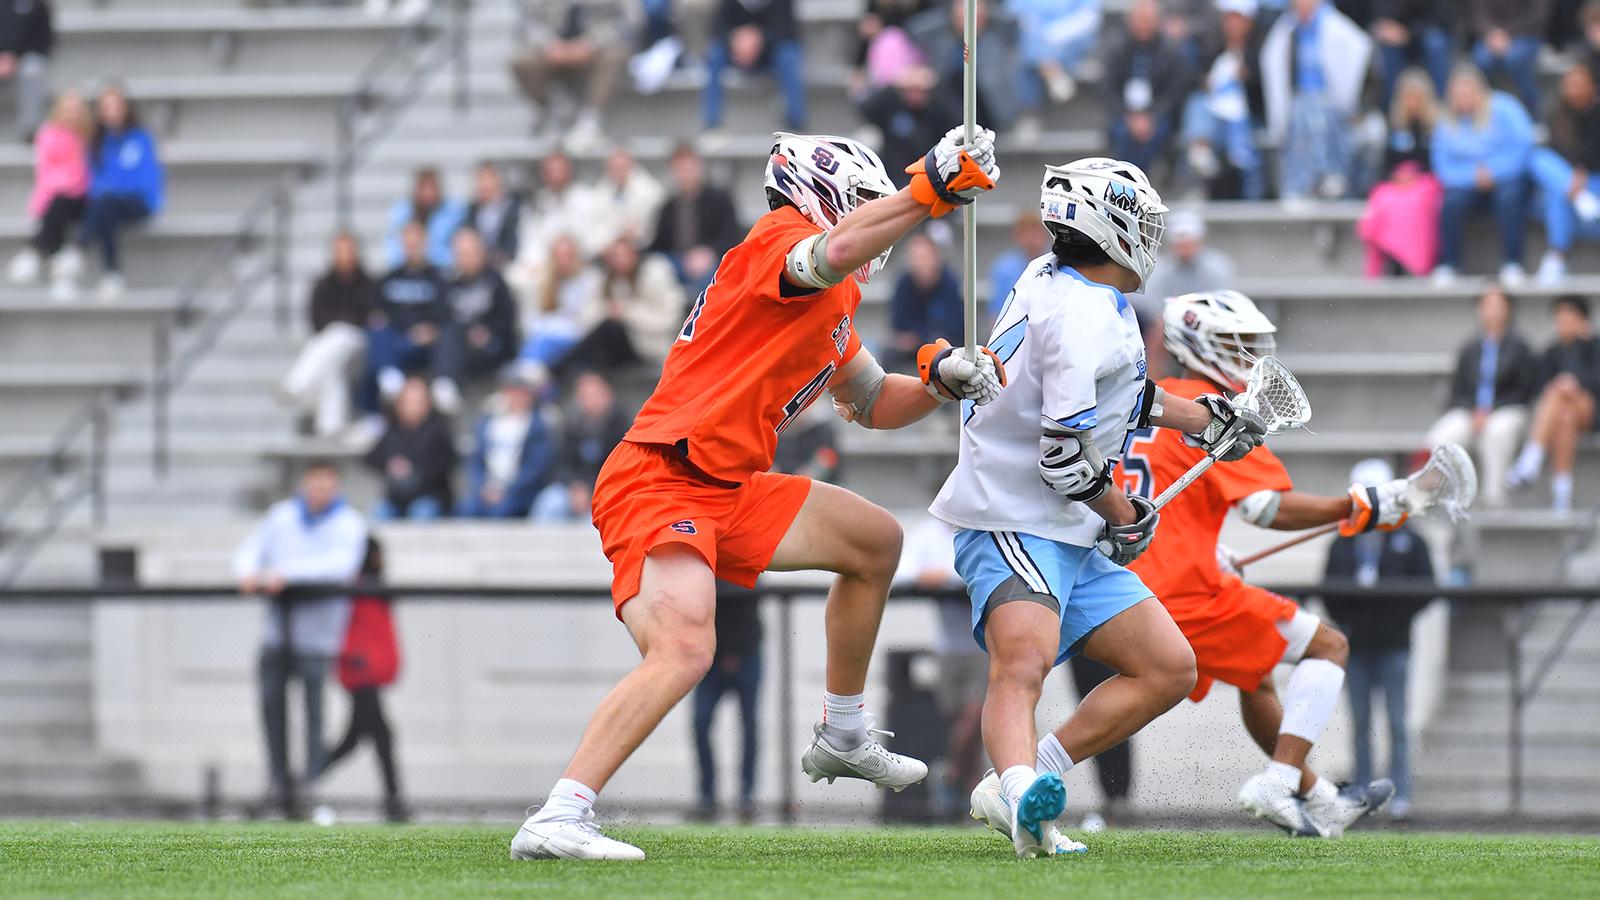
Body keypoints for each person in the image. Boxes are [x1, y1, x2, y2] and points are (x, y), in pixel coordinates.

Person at [511, 127, 1005, 861]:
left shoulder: (833, 294)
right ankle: (560, 813)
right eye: (860, 201)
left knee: (874, 541)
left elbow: (871, 399)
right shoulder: (779, 239)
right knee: (684, 649)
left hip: (727, 483)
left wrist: (938, 384)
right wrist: (926, 189)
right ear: (820, 194)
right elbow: (834, 249)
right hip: (664, 473)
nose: (870, 217)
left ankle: (842, 732)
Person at [939, 159, 1269, 858]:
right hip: (1013, 515)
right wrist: (1123, 512)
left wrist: (1202, 418)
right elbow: (1062, 459)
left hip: (1059, 522)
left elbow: (1118, 393)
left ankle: (1024, 778)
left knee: (1167, 666)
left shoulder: (1060, 281)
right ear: (1110, 228)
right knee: (1022, 664)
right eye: (1141, 222)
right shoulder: (1084, 314)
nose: (1151, 236)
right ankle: (1024, 801)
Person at [1118, 290, 1406, 837]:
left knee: (1257, 674)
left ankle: (1320, 798)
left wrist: (1204, 547)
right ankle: (1279, 781)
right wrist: (1355, 506)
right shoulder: (1207, 408)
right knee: (1329, 646)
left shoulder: (1148, 401)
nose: (1248, 358)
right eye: (1237, 345)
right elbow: (1267, 508)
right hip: (1182, 591)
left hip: (1129, 584)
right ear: (1196, 345)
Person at [233, 461, 368, 820]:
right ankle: (277, 783)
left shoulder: (349, 523)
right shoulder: (282, 516)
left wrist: (284, 575)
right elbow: (249, 551)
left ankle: (309, 786)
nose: (319, 491)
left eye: (326, 484)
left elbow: (339, 566)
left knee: (314, 715)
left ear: (336, 487)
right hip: (277, 632)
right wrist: (248, 573)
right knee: (271, 707)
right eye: (314, 483)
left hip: (318, 637)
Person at [1321, 458, 1436, 821]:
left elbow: (1425, 587)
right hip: (1356, 647)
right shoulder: (1342, 541)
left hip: (1394, 645)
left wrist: (1393, 619)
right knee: (1360, 723)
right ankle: (1362, 790)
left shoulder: (1410, 540)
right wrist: (1351, 623)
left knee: (1397, 723)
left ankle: (1400, 793)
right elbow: (1329, 590)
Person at [891, 514, 983, 822]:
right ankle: (974, 799)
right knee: (960, 723)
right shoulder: (928, 534)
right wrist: (929, 576)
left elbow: (985, 576)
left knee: (973, 719)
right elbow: (902, 573)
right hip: (948, 648)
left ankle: (951, 775)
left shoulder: (986, 528)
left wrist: (943, 576)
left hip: (985, 646)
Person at [316, 536, 410, 823]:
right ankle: (394, 803)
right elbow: (339, 628)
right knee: (381, 737)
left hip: (369, 673)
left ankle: (299, 783)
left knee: (352, 742)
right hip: (360, 673)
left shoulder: (375, 588)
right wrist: (351, 656)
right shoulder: (353, 587)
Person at [1425, 285, 1540, 507]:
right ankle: (1434, 499)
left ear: (1508, 309)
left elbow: (1525, 390)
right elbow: (1458, 390)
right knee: (1442, 436)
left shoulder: (1520, 347)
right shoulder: (1470, 348)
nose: (1492, 311)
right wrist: (1473, 410)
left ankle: (1494, 498)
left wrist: (1491, 410)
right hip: (1471, 412)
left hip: (1507, 410)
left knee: (1497, 432)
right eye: (1487, 305)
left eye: (1497, 305)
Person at [1431, 65, 1534, 285]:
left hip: (1508, 178)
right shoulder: (1445, 121)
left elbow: (1523, 145)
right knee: (1450, 204)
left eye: (1468, 93)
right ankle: (1449, 264)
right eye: (1458, 95)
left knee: (1509, 198)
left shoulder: (1505, 107)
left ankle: (1512, 263)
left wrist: (1494, 172)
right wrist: (1473, 176)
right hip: (1468, 185)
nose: (1463, 100)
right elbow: (1442, 166)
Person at [1260, 0, 1374, 201]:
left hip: (1333, 101)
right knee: (1304, 115)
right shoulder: (1286, 30)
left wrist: (1350, 100)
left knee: (1320, 116)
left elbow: (1360, 53)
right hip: (1299, 101)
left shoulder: (1337, 26)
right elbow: (1273, 65)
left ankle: (1330, 174)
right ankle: (1301, 184)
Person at [66, 84, 163, 302]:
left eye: (115, 106)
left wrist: (114, 188)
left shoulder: (139, 138)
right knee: (104, 212)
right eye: (106, 107)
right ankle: (112, 274)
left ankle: (80, 249)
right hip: (108, 203)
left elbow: (145, 178)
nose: (111, 112)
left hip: (139, 201)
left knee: (104, 205)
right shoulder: (97, 142)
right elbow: (94, 179)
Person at [1506, 295, 1600, 512]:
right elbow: (1540, 387)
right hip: (1564, 416)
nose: (1563, 323)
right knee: (1564, 414)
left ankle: (1531, 458)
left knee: (1561, 390)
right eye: (1560, 318)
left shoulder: (1594, 347)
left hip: (1592, 410)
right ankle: (1562, 494)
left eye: (1569, 318)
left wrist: (1579, 349)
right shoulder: (1551, 352)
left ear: (1582, 320)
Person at [278, 233, 375, 439]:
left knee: (337, 336)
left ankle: (297, 385)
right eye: (340, 251)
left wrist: (341, 322)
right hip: (333, 347)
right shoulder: (323, 284)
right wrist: (342, 321)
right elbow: (316, 320)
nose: (344, 256)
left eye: (348, 251)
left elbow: (368, 318)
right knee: (332, 360)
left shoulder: (368, 284)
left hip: (360, 347)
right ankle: (331, 425)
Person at [509, 0, 638, 145]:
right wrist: (549, 46)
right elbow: (528, 24)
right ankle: (551, 112)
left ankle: (590, 119)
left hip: (598, 46)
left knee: (614, 56)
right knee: (523, 62)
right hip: (552, 48)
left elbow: (627, 23)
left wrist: (590, 45)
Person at [1358, 68, 1444, 278]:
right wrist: (1398, 176)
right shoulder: (1393, 127)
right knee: (1384, 201)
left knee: (1415, 204)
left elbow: (1438, 162)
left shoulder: (1436, 128)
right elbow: (1385, 163)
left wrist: (1415, 174)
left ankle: (1417, 262)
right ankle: (1393, 259)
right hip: (1397, 184)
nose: (1412, 103)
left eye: (1417, 98)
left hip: (1426, 183)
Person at [5, 88, 89, 300]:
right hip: (55, 197)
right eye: (68, 109)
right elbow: (44, 171)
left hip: (81, 197)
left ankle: (33, 250)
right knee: (56, 210)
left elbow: (84, 173)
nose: (72, 114)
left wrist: (68, 184)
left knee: (58, 207)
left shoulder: (86, 137)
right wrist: (63, 185)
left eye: (76, 110)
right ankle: (61, 275)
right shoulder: (48, 134)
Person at [690, 582, 764, 821]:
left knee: (749, 726)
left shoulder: (747, 568)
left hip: (746, 654)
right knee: (700, 723)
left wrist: (734, 650)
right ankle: (707, 796)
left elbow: (748, 602)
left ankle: (746, 795)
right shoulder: (701, 570)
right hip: (710, 658)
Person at [1178, 0, 1265, 201]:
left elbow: (1267, 89)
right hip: (1216, 116)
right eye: (1229, 18)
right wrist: (1206, 81)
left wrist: (1248, 78)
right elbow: (1190, 77)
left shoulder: (1260, 49)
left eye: (1238, 18)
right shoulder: (1212, 46)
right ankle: (1200, 152)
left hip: (1248, 117)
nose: (1233, 24)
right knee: (1198, 104)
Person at [563, 236, 685, 374]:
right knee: (601, 335)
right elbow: (587, 316)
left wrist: (626, 312)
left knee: (609, 328)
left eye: (624, 255)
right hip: (623, 344)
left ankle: (559, 369)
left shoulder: (655, 277)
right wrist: (610, 310)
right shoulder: (609, 280)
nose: (620, 261)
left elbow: (668, 319)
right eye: (615, 256)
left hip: (652, 344)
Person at [365, 219, 448, 416]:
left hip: (426, 344)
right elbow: (378, 313)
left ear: (425, 243)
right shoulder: (388, 279)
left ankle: (391, 389)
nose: (412, 247)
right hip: (396, 340)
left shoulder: (439, 278)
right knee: (376, 332)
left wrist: (431, 330)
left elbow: (446, 315)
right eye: (408, 242)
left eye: (416, 242)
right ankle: (390, 382)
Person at [1100, 0, 1192, 174]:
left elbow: (1173, 92)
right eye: (1139, 20)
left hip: (1158, 114)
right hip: (1124, 113)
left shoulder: (1171, 52)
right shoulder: (1117, 50)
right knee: (1123, 133)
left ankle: (1132, 179)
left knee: (1156, 133)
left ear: (1157, 21)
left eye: (1147, 20)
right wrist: (1129, 116)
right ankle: (1129, 178)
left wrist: (1151, 116)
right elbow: (1108, 89)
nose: (1143, 25)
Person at [434, 228, 521, 411]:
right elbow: (441, 318)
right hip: (461, 346)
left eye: (472, 253)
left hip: (492, 346)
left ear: (482, 253)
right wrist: (468, 331)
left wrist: (487, 332)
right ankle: (446, 384)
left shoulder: (496, 281)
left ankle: (448, 381)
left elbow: (506, 318)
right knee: (449, 337)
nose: (467, 259)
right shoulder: (448, 283)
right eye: (462, 254)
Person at [1531, 63, 1600, 285]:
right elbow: (1553, 152)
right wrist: (1574, 179)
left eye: (1580, 84)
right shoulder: (1556, 113)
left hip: (1594, 180)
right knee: (1538, 159)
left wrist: (1583, 170)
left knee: (1556, 193)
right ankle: (1577, 196)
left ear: (1593, 87)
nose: (1574, 90)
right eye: (1570, 84)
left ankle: (1557, 255)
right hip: (1570, 181)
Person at [908, 0, 1023, 133]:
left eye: (974, 19)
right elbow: (915, 28)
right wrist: (954, 12)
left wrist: (977, 8)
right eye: (962, 19)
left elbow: (1012, 23)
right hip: (950, 103)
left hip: (987, 104)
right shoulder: (942, 39)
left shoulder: (996, 38)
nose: (968, 25)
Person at [531, 370, 629, 522]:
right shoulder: (572, 425)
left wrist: (591, 489)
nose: (589, 401)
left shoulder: (623, 427)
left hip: (607, 491)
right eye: (584, 396)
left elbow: (621, 469)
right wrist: (574, 486)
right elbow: (562, 463)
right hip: (573, 488)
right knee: (550, 502)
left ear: (608, 394)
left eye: (594, 395)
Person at [459, 370, 557, 518]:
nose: (516, 397)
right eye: (512, 392)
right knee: (466, 509)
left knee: (502, 511)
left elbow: (535, 467)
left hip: (519, 492)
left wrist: (508, 490)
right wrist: (482, 487)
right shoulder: (489, 423)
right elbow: (476, 460)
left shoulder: (537, 426)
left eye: (521, 393)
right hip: (487, 489)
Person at [646, 143, 743, 293]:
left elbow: (731, 236)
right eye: (679, 169)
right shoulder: (669, 206)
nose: (684, 174)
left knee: (710, 277)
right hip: (677, 261)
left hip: (710, 260)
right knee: (654, 270)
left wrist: (709, 252)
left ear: (699, 167)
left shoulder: (719, 199)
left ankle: (703, 307)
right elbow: (659, 244)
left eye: (688, 168)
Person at [703, 0, 806, 133]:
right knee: (714, 54)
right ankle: (712, 125)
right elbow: (719, 27)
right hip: (736, 52)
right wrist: (736, 40)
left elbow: (786, 29)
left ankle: (795, 123)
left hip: (770, 55)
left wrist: (759, 39)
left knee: (789, 54)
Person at [364, 376, 458, 520]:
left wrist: (413, 469)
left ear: (428, 404)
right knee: (378, 513)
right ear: (398, 405)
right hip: (397, 498)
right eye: (408, 401)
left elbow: (448, 462)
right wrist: (391, 464)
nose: (412, 406)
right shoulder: (392, 430)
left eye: (417, 401)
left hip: (429, 496)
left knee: (421, 512)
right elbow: (371, 458)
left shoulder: (439, 430)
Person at [857, 64, 960, 189]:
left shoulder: (938, 110)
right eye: (910, 90)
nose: (915, 95)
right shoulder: (892, 107)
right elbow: (866, 109)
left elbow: (956, 121)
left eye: (920, 91)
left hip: (929, 177)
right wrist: (894, 84)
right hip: (895, 177)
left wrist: (937, 85)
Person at [1139, 210, 1235, 325]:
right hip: (1169, 324)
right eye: (1179, 243)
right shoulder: (1159, 270)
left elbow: (1221, 307)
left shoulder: (1217, 268)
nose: (1183, 247)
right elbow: (1155, 311)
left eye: (1188, 242)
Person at [888, 231, 964, 373]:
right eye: (914, 258)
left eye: (923, 258)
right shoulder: (903, 283)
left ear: (935, 258)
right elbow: (898, 324)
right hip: (912, 347)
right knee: (889, 354)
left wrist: (919, 336)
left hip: (944, 345)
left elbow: (954, 325)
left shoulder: (949, 282)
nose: (919, 263)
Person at [518, 233, 595, 372]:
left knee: (540, 347)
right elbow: (531, 319)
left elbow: (584, 323)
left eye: (567, 255)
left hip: (574, 340)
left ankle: (529, 373)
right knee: (536, 345)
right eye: (558, 255)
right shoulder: (544, 282)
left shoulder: (588, 282)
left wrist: (552, 326)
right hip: (544, 339)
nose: (562, 261)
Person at [1011, 0, 1102, 111]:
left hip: (1072, 38)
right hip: (1036, 38)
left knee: (1033, 53)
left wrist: (1057, 32)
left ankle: (1049, 72)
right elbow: (1019, 14)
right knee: (1029, 50)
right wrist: (1040, 33)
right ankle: (1051, 73)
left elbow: (1089, 17)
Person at [1469, 0, 1552, 114]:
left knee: (1515, 60)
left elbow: (1538, 16)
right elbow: (1477, 13)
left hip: (1526, 34)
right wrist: (1492, 33)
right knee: (1481, 59)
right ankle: (1481, 112)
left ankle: (1534, 110)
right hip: (1490, 35)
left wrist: (1508, 34)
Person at [1370, 0, 1452, 109]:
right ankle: (1389, 111)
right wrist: (1386, 27)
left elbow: (1440, 16)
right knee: (1387, 48)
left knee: (1435, 43)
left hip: (1422, 31)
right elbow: (1375, 13)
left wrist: (1408, 32)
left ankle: (1439, 108)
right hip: (1393, 34)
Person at [382, 167, 464, 270]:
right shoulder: (401, 212)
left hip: (441, 270)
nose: (428, 193)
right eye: (424, 188)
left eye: (431, 188)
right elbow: (393, 248)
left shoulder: (452, 213)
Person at [587, 146, 666, 250]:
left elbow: (648, 227)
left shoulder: (650, 191)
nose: (619, 172)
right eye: (615, 168)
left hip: (641, 248)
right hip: (610, 248)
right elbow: (597, 228)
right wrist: (617, 234)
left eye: (623, 167)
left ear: (632, 166)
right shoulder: (600, 193)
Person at [986, 209, 1051, 324]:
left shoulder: (1059, 264)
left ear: (1045, 234)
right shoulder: (1003, 267)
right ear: (1017, 235)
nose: (1031, 238)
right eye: (1026, 233)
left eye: (1035, 232)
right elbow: (996, 313)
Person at [0, 0, 51, 141]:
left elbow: (44, 40)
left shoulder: (37, 5)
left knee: (32, 70)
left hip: (24, 59)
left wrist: (15, 56)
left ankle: (29, 129)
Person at [465, 161, 524, 268]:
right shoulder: (472, 210)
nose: (484, 185)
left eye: (488, 179)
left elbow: (514, 241)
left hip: (509, 264)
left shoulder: (515, 208)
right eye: (480, 180)